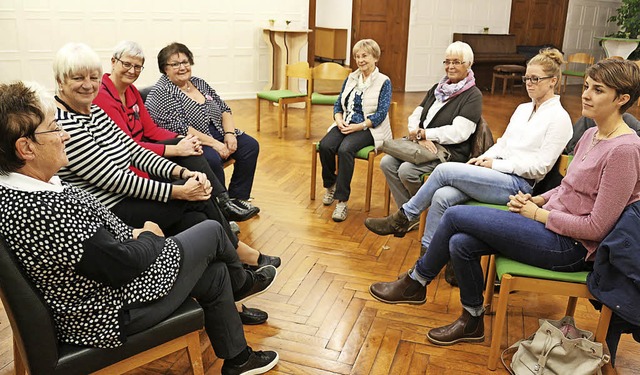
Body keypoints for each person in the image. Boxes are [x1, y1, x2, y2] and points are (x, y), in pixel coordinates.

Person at [0, 81, 279, 374]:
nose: (64, 135)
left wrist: (131, 233)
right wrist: (147, 235)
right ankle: (243, 284)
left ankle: (238, 359)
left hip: (109, 289)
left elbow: (97, 246)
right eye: (54, 129)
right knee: (209, 231)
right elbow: (122, 264)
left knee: (214, 270)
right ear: (26, 147)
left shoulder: (28, 189)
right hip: (109, 312)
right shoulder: (43, 210)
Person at [368, 59, 640, 346]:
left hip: (572, 248)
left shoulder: (625, 150)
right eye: (586, 87)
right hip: (553, 226)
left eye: (597, 90)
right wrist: (537, 199)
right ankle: (471, 320)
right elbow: (568, 187)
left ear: (622, 99)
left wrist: (538, 215)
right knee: (460, 243)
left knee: (455, 215)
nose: (585, 95)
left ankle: (417, 281)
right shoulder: (590, 133)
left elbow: (597, 227)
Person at [53, 42, 278, 325]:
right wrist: (178, 190)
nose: (88, 85)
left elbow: (134, 150)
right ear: (61, 80)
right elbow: (114, 179)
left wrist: (182, 175)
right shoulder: (64, 124)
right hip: (112, 209)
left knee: (197, 216)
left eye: (92, 78)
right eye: (78, 78)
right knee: (197, 209)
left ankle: (233, 292)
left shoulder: (94, 111)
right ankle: (238, 273)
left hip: (130, 192)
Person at [365, 48, 572, 259]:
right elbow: (503, 144)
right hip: (497, 175)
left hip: (519, 185)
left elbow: (541, 168)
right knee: (441, 195)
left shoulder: (559, 118)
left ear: (553, 81)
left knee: (444, 171)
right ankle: (428, 257)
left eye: (535, 79)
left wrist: (495, 165)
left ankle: (405, 217)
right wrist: (484, 158)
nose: (529, 83)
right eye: (527, 77)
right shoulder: (523, 109)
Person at [93, 41, 258, 223]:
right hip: (131, 161)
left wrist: (183, 140)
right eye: (126, 64)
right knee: (200, 155)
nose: (132, 71)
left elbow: (152, 130)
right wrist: (179, 147)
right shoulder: (103, 95)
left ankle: (225, 203)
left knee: (204, 147)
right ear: (113, 62)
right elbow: (126, 146)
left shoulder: (131, 90)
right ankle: (222, 206)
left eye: (137, 66)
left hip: (148, 148)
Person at [145, 42, 259, 211]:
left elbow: (224, 109)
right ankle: (221, 206)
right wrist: (215, 144)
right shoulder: (161, 92)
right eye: (175, 64)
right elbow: (180, 129)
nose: (182, 67)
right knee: (211, 159)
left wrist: (229, 133)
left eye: (185, 62)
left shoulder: (198, 82)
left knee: (250, 146)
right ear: (164, 69)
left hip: (218, 131)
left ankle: (238, 198)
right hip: (191, 140)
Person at [380, 41, 482, 224]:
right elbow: (415, 115)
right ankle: (411, 216)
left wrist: (426, 134)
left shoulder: (472, 95)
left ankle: (419, 213)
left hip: (449, 152)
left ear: (469, 64)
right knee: (386, 162)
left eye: (457, 62)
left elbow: (460, 133)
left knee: (406, 171)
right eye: (447, 61)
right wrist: (417, 135)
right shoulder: (438, 88)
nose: (450, 66)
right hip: (421, 145)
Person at [318, 39, 392, 222]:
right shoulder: (352, 78)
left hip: (368, 128)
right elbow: (338, 104)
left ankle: (341, 201)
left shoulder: (384, 81)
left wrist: (359, 126)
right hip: (346, 123)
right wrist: (339, 119)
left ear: (375, 57)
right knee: (326, 145)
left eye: (364, 56)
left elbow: (381, 114)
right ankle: (330, 185)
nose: (360, 60)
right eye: (357, 56)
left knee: (345, 149)